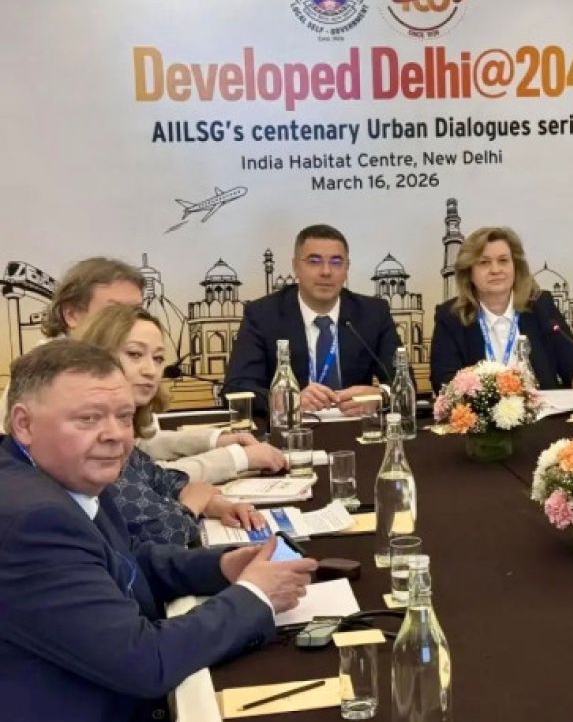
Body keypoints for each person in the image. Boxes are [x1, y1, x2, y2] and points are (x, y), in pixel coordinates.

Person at [0, 339, 316, 722]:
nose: (115, 435)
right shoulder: (32, 519)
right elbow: (145, 661)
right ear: (24, 424)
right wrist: (255, 597)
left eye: (124, 416)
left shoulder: (62, 475)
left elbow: (125, 561)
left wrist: (221, 566)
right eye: (88, 419)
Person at [3, 255, 268, 480]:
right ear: (72, 314)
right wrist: (236, 459)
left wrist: (213, 440)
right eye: (116, 312)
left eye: (137, 310)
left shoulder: (114, 369)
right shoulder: (55, 376)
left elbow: (139, 448)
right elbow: (137, 483)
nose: (131, 322)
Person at [77, 305, 266, 546]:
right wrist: (193, 504)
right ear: (97, 357)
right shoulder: (91, 435)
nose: (150, 371)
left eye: (157, 359)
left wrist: (212, 503)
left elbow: (157, 477)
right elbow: (164, 532)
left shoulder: (122, 427)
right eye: (134, 354)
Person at [223, 224, 400, 415]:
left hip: (355, 425)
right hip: (290, 427)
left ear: (347, 268)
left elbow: (403, 380)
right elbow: (236, 389)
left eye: (336, 262)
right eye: (314, 261)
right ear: (296, 266)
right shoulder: (262, 315)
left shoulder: (373, 313)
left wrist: (382, 396)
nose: (326, 271)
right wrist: (287, 400)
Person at [430, 226, 573, 393]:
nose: (496, 270)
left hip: (545, 409)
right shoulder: (451, 316)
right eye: (484, 262)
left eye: (503, 260)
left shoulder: (540, 306)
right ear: (469, 272)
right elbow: (444, 382)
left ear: (515, 267)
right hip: (482, 410)